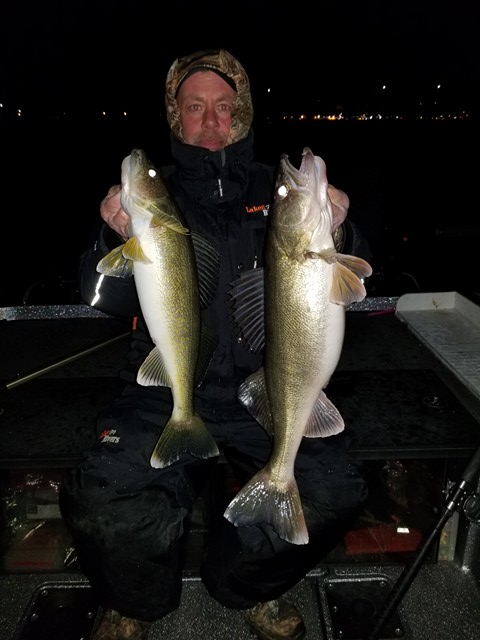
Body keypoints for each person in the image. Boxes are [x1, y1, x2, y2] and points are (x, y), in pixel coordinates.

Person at [60, 49, 370, 640]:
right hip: (165, 385)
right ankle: (136, 602)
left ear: (241, 114)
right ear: (175, 116)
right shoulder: (154, 197)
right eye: (194, 106)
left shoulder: (276, 189)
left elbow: (344, 284)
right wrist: (111, 235)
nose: (210, 121)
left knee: (333, 490)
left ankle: (243, 587)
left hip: (267, 384)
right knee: (105, 495)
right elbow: (101, 297)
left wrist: (340, 231)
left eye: (224, 107)